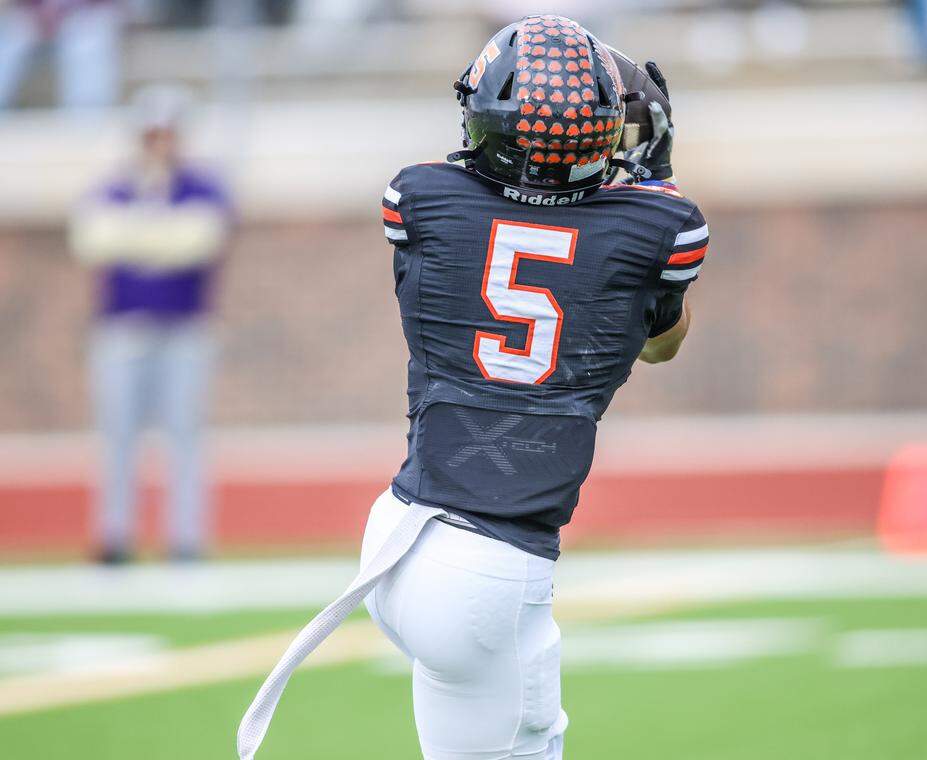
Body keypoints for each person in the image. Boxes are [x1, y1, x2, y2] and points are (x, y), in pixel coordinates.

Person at [238, 15, 707, 759]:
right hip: (490, 562)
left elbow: (467, 180)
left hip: (401, 530)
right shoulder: (661, 224)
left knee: (511, 737)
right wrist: (653, 170)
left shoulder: (420, 197)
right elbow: (661, 346)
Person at [69, 84, 231, 564]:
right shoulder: (114, 187)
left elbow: (200, 241)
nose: (160, 143)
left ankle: (186, 540)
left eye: (168, 133)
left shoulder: (202, 186)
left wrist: (133, 236)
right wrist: (163, 235)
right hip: (123, 328)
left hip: (185, 327)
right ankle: (115, 537)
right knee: (117, 435)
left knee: (185, 435)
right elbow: (92, 241)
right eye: (152, 134)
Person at [0, 0, 122, 110]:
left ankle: (87, 116)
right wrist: (40, 13)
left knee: (88, 43)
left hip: (86, 15)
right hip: (34, 16)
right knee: (10, 37)